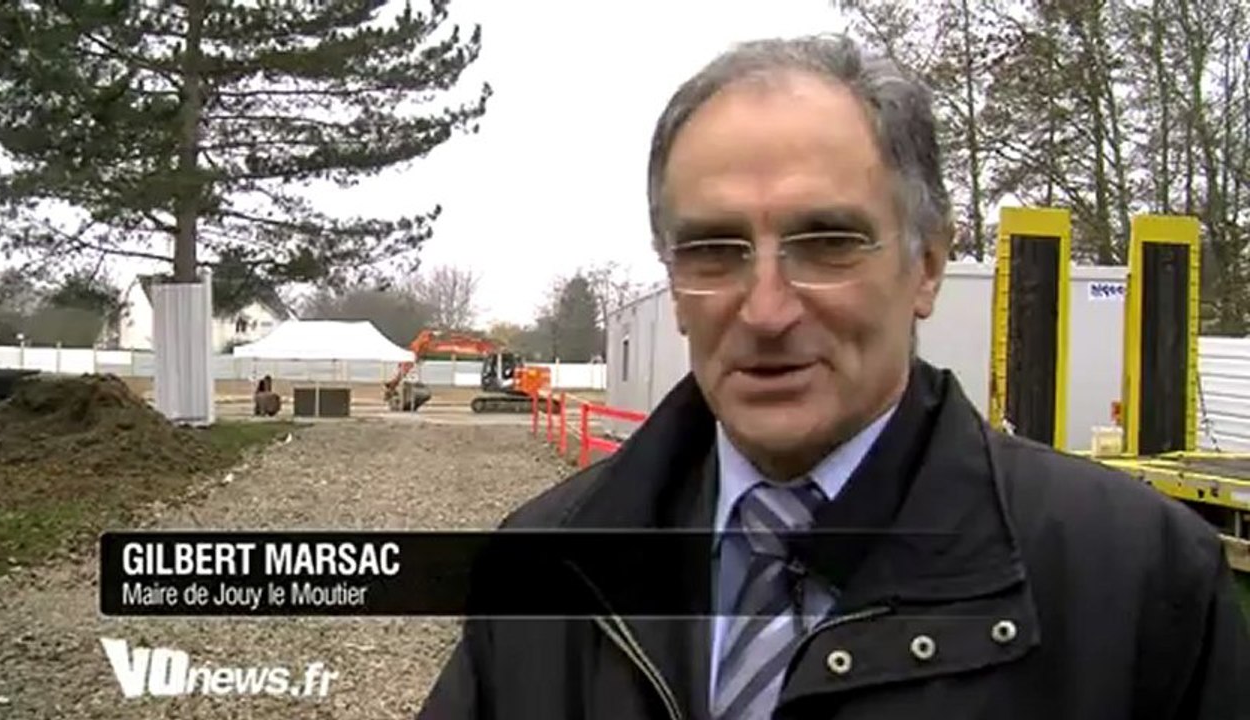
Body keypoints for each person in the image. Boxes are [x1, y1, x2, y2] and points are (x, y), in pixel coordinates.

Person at [419, 33, 1250, 719]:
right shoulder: (546, 564)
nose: (767, 309)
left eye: (826, 243)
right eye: (714, 250)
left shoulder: (1136, 579)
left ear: (925, 265)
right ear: (673, 282)